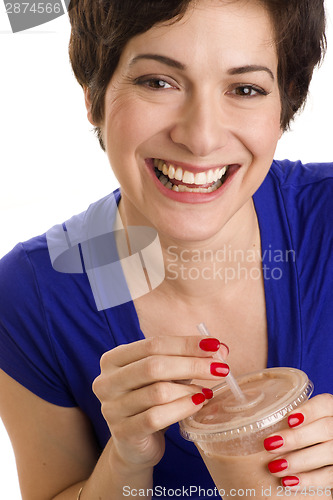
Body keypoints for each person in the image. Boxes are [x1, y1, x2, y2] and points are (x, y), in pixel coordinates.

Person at [0, 0, 332, 499]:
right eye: (158, 81)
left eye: (245, 89)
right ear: (94, 95)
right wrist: (127, 458)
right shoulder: (31, 297)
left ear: (283, 110)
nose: (200, 137)